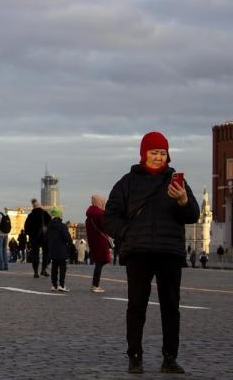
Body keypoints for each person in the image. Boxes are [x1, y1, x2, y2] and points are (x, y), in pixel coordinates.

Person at [104, 131, 199, 374]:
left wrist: (183, 200)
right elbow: (110, 216)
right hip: (139, 252)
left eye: (162, 153)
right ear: (143, 154)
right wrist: (126, 232)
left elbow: (193, 215)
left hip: (170, 252)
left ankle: (170, 358)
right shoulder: (127, 182)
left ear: (168, 155)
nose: (158, 157)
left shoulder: (176, 182)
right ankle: (134, 356)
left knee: (171, 307)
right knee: (136, 306)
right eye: (154, 152)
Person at [86, 195, 111, 293]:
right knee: (100, 263)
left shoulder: (90, 215)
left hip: (94, 242)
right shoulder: (99, 214)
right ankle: (95, 285)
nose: (103, 204)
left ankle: (95, 284)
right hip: (100, 241)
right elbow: (105, 227)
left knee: (99, 262)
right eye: (102, 202)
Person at [47, 207, 72, 292]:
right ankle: (61, 285)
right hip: (62, 250)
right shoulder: (62, 226)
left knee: (54, 268)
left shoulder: (49, 226)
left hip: (52, 250)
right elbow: (67, 238)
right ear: (60, 215)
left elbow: (47, 238)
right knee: (62, 268)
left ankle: (54, 285)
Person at [24, 199, 51, 278]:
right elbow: (50, 225)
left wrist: (30, 234)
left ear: (33, 207)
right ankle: (43, 270)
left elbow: (26, 228)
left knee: (35, 254)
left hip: (34, 238)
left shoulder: (30, 216)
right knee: (46, 253)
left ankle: (36, 272)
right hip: (45, 238)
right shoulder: (45, 214)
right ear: (40, 206)